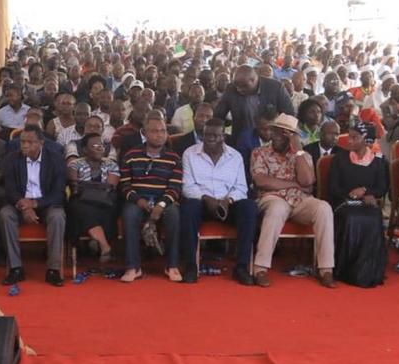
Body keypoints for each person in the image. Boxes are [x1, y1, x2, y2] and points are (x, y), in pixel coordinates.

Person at [250, 113, 336, 288]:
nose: (281, 136)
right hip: (272, 198)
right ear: (272, 132)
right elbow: (261, 181)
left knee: (324, 208)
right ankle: (260, 268)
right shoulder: (260, 152)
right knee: (277, 208)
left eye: (287, 133)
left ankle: (326, 269)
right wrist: (294, 184)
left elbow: (307, 182)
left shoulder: (302, 154)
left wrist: (297, 151)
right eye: (278, 131)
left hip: (300, 201)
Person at [180, 118, 257, 285]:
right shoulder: (190, 153)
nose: (209, 139)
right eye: (206, 135)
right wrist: (207, 199)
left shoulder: (235, 156)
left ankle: (241, 267)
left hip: (227, 205)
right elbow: (187, 187)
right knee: (188, 207)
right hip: (201, 202)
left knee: (249, 207)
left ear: (224, 137)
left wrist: (227, 201)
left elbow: (241, 188)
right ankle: (191, 266)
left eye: (215, 136)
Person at [0, 125, 67, 287]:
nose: (25, 145)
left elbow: (59, 193)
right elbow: (10, 189)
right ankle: (15, 268)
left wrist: (35, 203)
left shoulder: (55, 159)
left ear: (41, 143)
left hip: (46, 203)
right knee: (5, 214)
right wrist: (25, 206)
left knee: (57, 216)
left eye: (30, 142)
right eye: (22, 142)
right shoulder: (11, 159)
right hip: (20, 203)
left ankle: (53, 270)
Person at [118, 115, 183, 282]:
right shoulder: (131, 155)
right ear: (145, 133)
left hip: (164, 200)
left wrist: (161, 205)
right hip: (137, 200)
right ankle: (133, 267)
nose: (159, 135)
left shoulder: (174, 158)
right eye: (154, 131)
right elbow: (125, 186)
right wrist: (139, 201)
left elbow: (175, 188)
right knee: (130, 214)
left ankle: (172, 265)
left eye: (163, 131)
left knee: (174, 214)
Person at [326, 120, 388, 288]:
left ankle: (369, 271)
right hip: (344, 203)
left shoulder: (378, 161)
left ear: (366, 139)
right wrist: (351, 194)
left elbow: (382, 187)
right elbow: (333, 188)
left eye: (355, 137)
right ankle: (346, 270)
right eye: (349, 136)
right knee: (351, 218)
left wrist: (367, 191)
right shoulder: (340, 159)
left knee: (374, 217)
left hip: (367, 203)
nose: (349, 141)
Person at [66, 133, 119, 263]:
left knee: (106, 207)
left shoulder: (111, 164)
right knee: (79, 207)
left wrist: (87, 186)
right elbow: (75, 186)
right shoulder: (75, 164)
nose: (100, 148)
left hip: (105, 202)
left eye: (101, 145)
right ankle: (104, 245)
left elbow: (111, 186)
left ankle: (97, 242)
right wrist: (99, 187)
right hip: (81, 201)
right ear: (84, 149)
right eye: (95, 145)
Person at [214, 65, 294, 150]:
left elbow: (289, 115)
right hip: (241, 141)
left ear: (253, 80)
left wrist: (280, 137)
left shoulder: (275, 88)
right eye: (236, 86)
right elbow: (219, 115)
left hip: (270, 141)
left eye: (243, 86)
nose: (239, 89)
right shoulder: (231, 89)